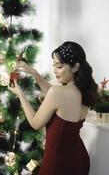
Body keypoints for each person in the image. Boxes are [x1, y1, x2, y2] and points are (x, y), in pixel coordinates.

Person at [8, 41, 100, 175]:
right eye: (54, 65)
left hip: (58, 164)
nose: (54, 71)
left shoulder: (59, 93)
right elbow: (54, 94)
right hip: (79, 160)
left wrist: (20, 93)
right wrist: (34, 73)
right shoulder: (85, 90)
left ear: (75, 67)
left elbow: (35, 123)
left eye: (59, 66)